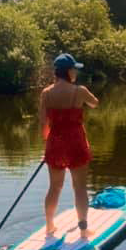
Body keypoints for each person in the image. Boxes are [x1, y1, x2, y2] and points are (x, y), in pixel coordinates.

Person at [39, 53, 99, 239]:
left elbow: (43, 125)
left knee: (54, 187)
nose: (75, 72)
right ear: (69, 71)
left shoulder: (46, 93)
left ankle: (49, 226)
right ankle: (83, 229)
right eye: (74, 69)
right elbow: (95, 103)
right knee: (80, 187)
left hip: (55, 143)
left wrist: (48, 148)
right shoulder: (79, 91)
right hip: (76, 142)